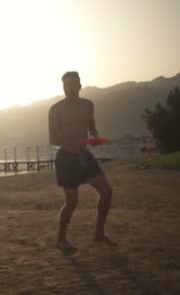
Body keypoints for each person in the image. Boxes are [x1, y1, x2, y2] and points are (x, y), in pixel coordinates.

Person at [48, 71, 115, 251]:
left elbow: (92, 128)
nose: (69, 88)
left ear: (79, 85)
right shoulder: (56, 109)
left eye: (72, 84)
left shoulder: (88, 105)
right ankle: (61, 239)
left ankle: (99, 233)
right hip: (66, 158)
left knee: (106, 191)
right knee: (72, 202)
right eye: (65, 85)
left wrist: (94, 137)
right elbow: (53, 139)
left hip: (84, 156)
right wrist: (72, 142)